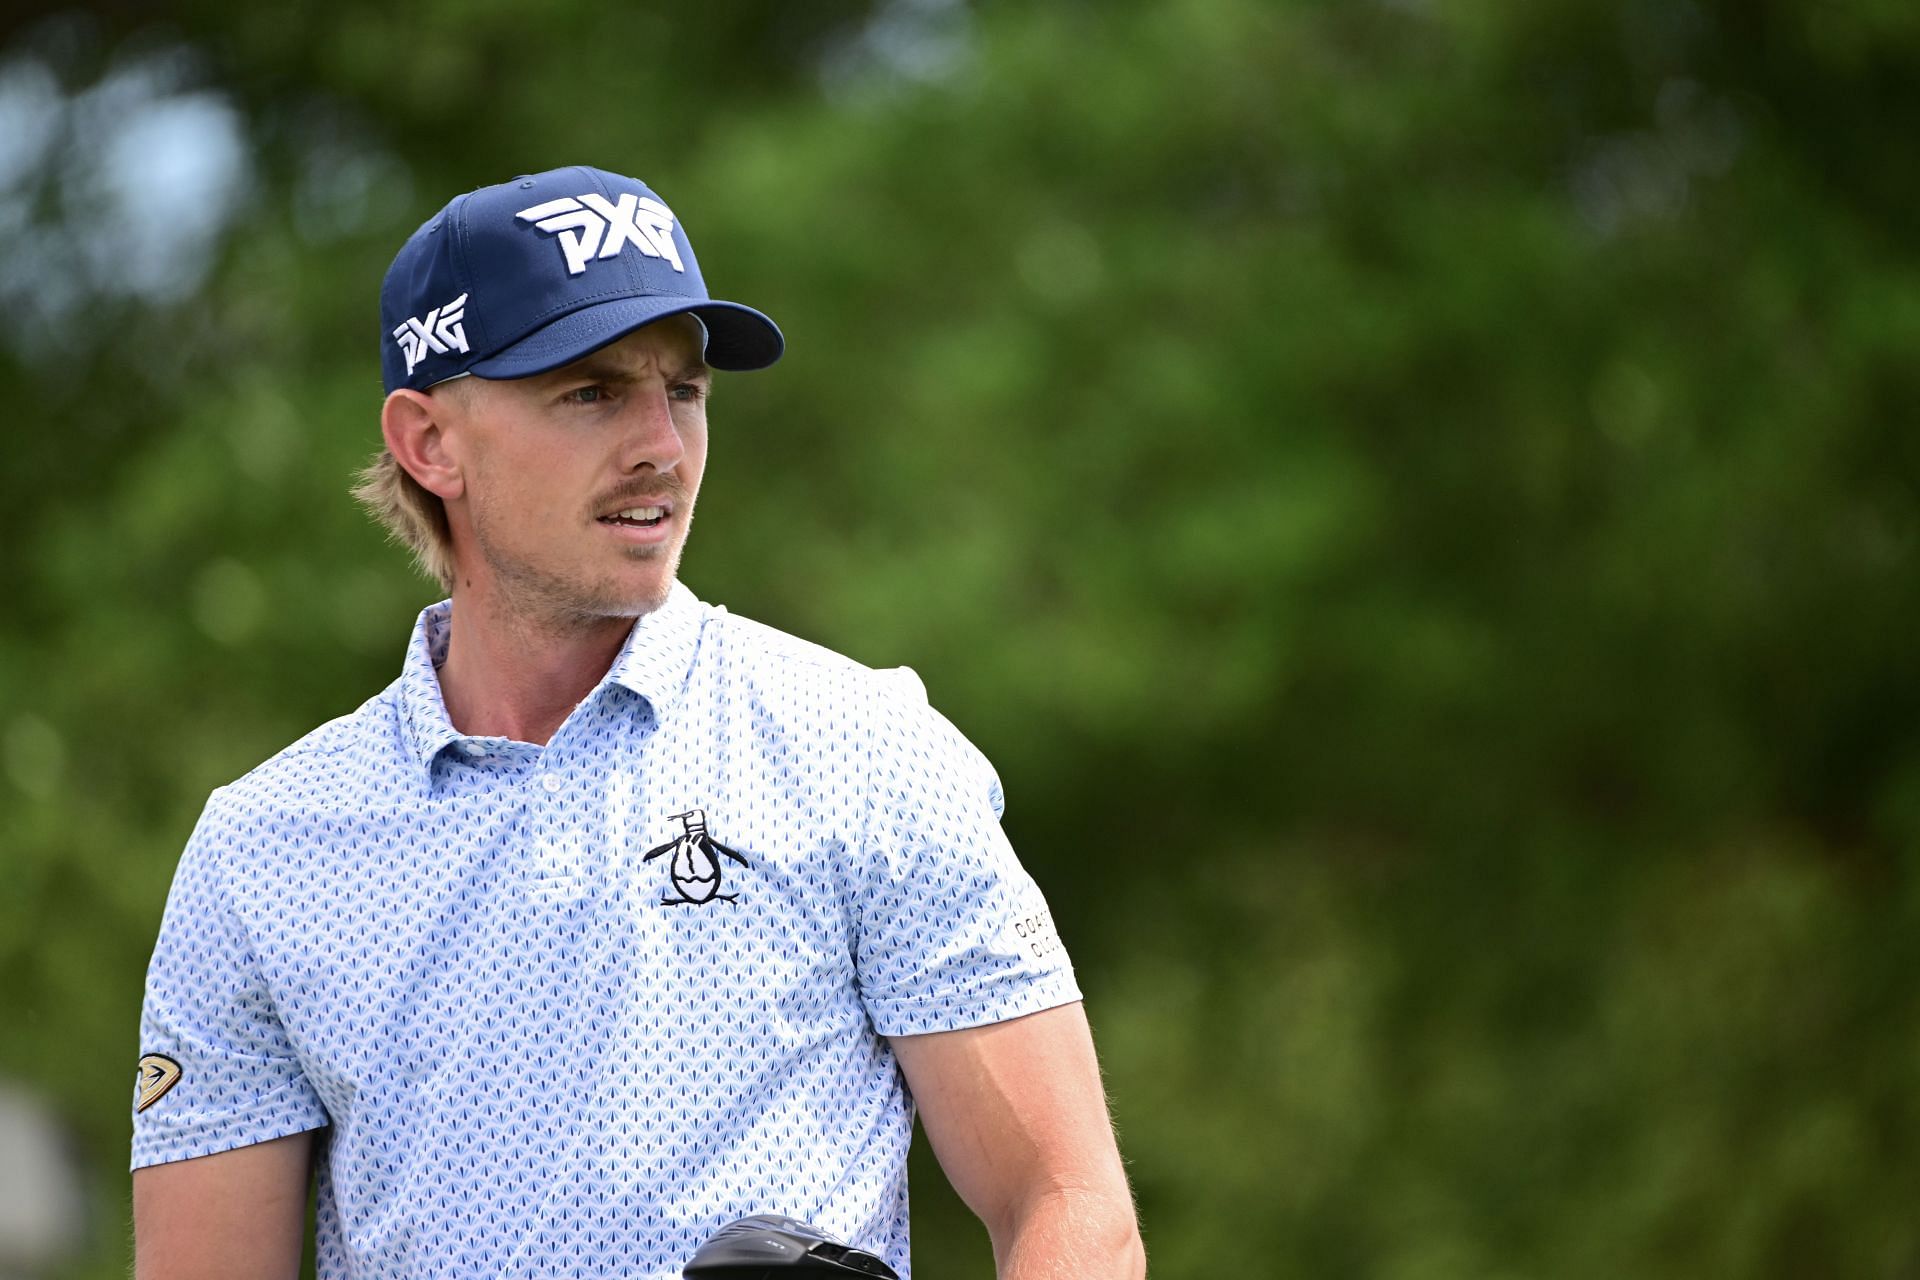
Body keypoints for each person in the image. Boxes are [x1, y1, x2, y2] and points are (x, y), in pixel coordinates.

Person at [129, 165, 1144, 1280]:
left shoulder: (865, 748)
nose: (663, 444)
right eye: (591, 392)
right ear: (430, 442)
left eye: (687, 390)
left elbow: (1066, 1203)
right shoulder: (260, 850)